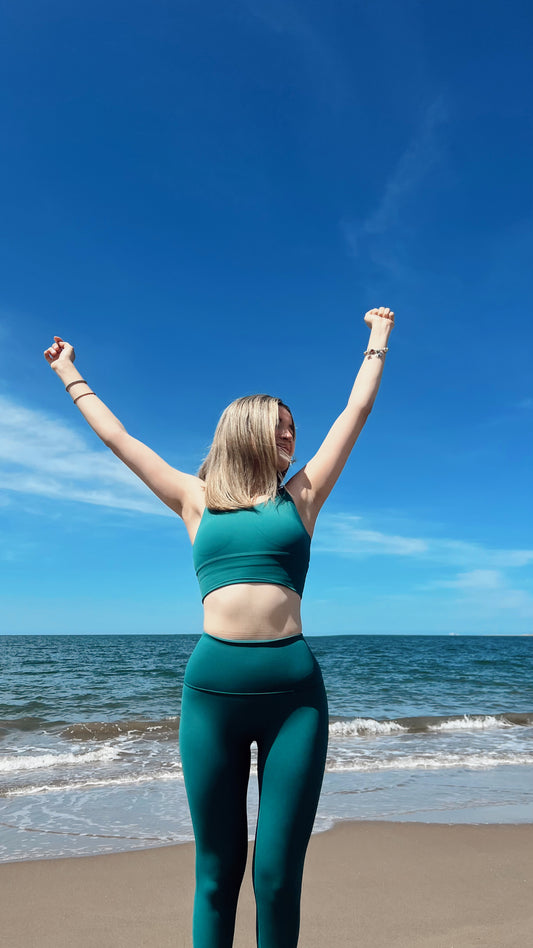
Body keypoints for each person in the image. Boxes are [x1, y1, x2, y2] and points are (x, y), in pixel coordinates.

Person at [44, 305, 394, 947]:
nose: (292, 440)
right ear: (247, 432)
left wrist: (377, 340)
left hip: (295, 699)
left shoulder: (303, 497)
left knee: (279, 873)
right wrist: (71, 374)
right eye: (280, 430)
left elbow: (355, 414)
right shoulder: (193, 498)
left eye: (294, 431)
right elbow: (120, 440)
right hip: (211, 698)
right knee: (216, 871)